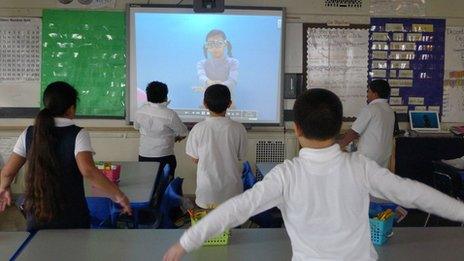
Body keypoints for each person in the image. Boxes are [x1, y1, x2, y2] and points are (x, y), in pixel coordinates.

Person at [163, 88, 464, 261]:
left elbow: (235, 209)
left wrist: (185, 243)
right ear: (338, 129)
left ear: (296, 129)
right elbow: (415, 192)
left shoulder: (285, 175)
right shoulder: (360, 166)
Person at [0, 81, 131, 232]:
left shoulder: (29, 133)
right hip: (71, 215)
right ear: (71, 109)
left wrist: (5, 186)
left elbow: (7, 172)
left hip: (37, 215)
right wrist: (119, 196)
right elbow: (88, 170)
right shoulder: (78, 134)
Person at [186, 84, 247, 209]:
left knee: (208, 227)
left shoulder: (198, 129)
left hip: (207, 193)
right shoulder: (239, 128)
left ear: (204, 104)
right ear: (230, 103)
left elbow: (194, 159)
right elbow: (241, 156)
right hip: (232, 192)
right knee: (232, 227)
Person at [134, 81, 188, 179]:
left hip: (144, 155)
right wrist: (176, 138)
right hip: (164, 155)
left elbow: (136, 127)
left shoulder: (139, 111)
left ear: (147, 96)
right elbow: (183, 132)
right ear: (165, 97)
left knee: (147, 185)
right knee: (165, 186)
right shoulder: (170, 114)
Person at [338, 79, 395, 168]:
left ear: (375, 94)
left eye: (369, 91)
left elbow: (354, 132)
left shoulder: (370, 109)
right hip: (384, 155)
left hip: (368, 157)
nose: (367, 95)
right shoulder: (390, 110)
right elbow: (375, 131)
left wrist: (339, 146)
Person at [195, 29, 239, 103]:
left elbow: (232, 81)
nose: (215, 48)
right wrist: (209, 82)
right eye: (211, 44)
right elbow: (201, 77)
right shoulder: (201, 63)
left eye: (219, 43)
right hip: (207, 103)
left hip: (228, 103)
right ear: (207, 47)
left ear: (225, 45)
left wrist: (215, 85)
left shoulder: (233, 62)